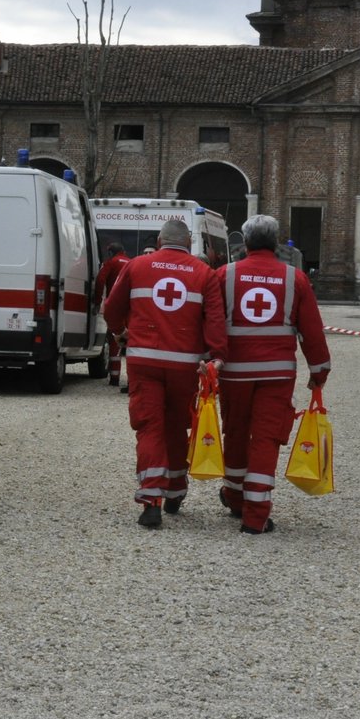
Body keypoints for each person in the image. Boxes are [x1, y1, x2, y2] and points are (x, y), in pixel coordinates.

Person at [104, 218, 227, 529]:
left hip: (144, 361)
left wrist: (120, 333)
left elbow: (111, 309)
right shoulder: (204, 273)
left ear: (159, 242)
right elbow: (215, 320)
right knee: (175, 427)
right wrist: (216, 357)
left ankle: (151, 501)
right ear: (188, 244)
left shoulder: (137, 266)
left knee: (149, 427)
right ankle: (176, 490)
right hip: (184, 364)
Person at [216, 214, 332, 535]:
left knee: (235, 432)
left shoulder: (225, 274)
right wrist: (319, 371)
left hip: (234, 373)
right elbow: (312, 332)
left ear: (247, 242)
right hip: (277, 375)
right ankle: (255, 517)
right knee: (266, 439)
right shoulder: (295, 279)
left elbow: (211, 322)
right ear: (276, 242)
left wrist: (209, 361)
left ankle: (235, 497)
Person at [93, 241, 131, 388]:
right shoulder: (131, 262)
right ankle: (130, 380)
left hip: (116, 306)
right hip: (131, 308)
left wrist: (97, 300)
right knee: (132, 344)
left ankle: (114, 378)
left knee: (115, 341)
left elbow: (100, 279)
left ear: (110, 252)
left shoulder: (111, 263)